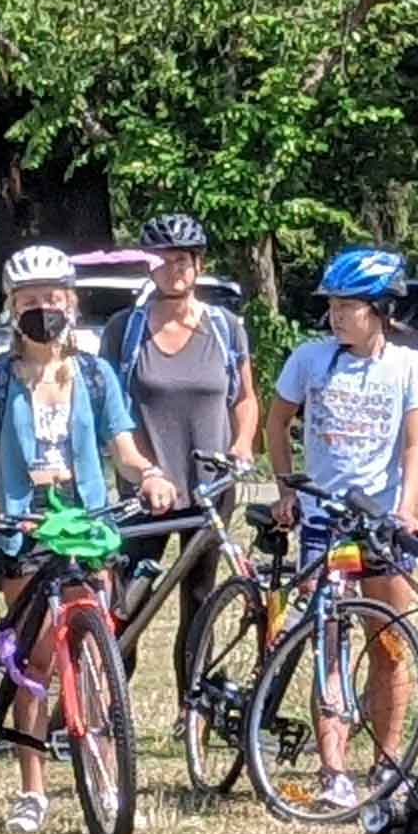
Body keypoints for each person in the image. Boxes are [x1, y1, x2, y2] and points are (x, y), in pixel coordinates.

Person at [0, 242, 184, 834]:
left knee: (93, 651)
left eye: (52, 299)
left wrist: (150, 475)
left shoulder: (96, 376)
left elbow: (123, 448)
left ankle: (104, 769)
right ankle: (31, 789)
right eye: (29, 301)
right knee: (35, 662)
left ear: (71, 303)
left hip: (87, 524)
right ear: (11, 307)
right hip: (25, 529)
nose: (42, 310)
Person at [270, 245, 418, 811]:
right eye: (333, 306)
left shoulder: (410, 366)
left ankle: (388, 760)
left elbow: (415, 445)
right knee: (329, 641)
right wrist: (286, 488)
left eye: (349, 307)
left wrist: (408, 507)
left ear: (380, 309)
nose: (337, 316)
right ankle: (333, 768)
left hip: (383, 525)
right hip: (324, 521)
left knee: (389, 641)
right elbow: (277, 423)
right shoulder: (310, 359)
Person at [108, 212, 260, 650]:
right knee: (128, 607)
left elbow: (246, 398)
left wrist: (241, 444)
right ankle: (106, 710)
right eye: (162, 260)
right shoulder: (126, 330)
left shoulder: (225, 328)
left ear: (199, 265)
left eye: (183, 260)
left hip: (210, 489)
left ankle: (192, 715)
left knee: (199, 604)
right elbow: (114, 411)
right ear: (147, 266)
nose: (173, 269)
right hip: (147, 492)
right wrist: (143, 471)